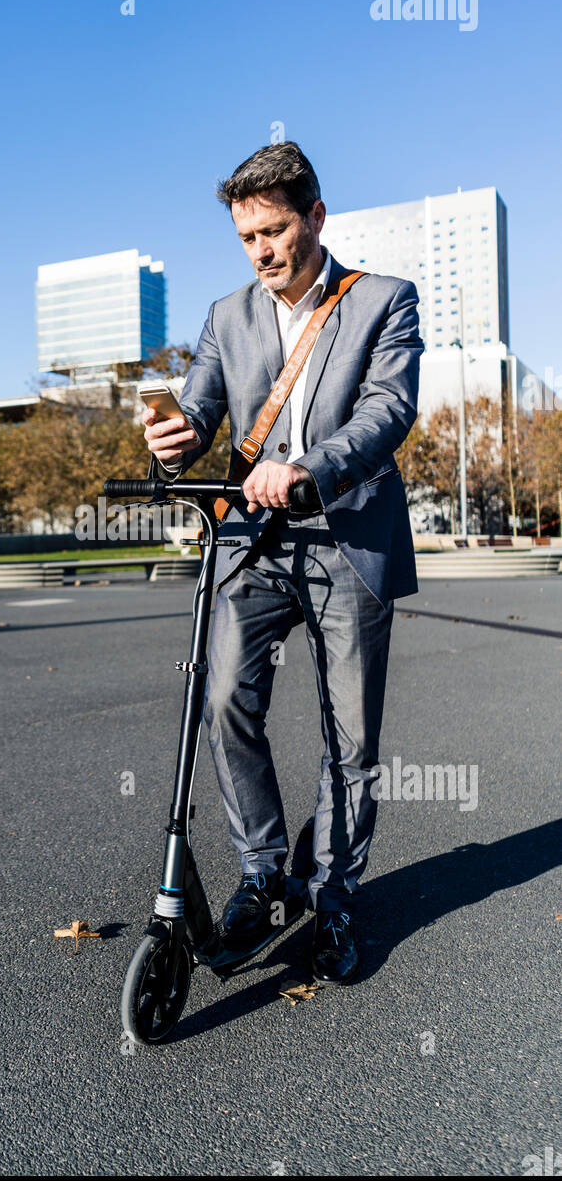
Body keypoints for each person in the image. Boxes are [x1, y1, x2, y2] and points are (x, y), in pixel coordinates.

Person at [142, 141, 423, 984]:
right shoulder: (227, 316)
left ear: (317, 218)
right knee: (223, 696)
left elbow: (387, 411)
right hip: (254, 547)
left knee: (351, 735)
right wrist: (175, 439)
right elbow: (196, 412)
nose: (262, 250)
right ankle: (265, 873)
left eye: (275, 230)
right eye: (247, 236)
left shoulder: (383, 301)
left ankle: (335, 894)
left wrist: (309, 470)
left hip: (347, 539)